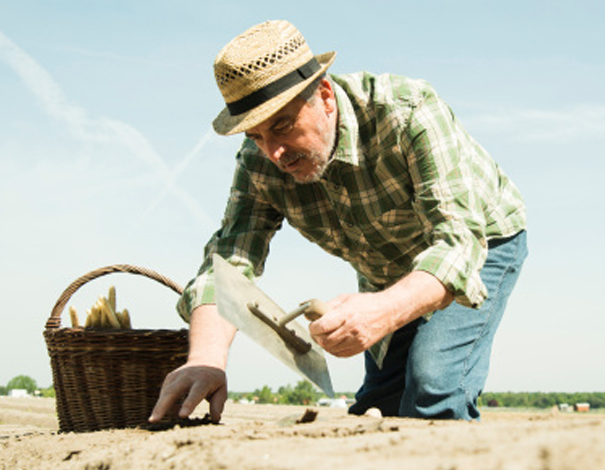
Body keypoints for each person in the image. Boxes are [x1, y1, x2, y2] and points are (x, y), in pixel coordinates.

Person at [149, 20, 528, 424]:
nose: (274, 152)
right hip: (387, 269)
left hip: (480, 242)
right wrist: (206, 358)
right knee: (377, 407)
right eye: (256, 136)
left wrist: (383, 310)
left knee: (431, 387)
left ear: (324, 96)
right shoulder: (259, 163)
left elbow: (459, 245)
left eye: (281, 125)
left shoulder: (408, 112)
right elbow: (227, 265)